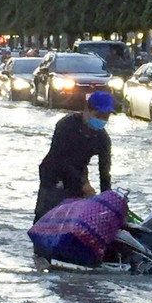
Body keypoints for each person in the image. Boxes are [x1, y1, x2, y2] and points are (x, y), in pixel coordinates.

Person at [33, 91, 114, 222]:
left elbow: (104, 172)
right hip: (53, 172)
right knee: (46, 214)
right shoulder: (66, 125)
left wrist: (107, 200)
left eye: (106, 117)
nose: (102, 120)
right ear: (87, 110)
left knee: (72, 218)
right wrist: (83, 184)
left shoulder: (102, 138)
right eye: (98, 115)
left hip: (78, 175)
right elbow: (60, 158)